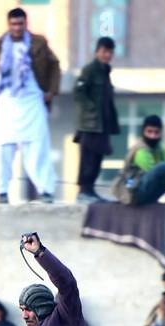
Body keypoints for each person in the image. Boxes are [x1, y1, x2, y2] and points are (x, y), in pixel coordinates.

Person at [0, 7, 60, 204]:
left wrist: (51, 92)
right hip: (6, 100)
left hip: (32, 100)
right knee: (2, 148)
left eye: (20, 24)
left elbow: (54, 65)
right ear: (8, 25)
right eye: (13, 24)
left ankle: (46, 190)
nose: (17, 28)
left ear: (26, 24)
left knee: (37, 146)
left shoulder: (39, 43)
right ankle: (1, 192)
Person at [72, 36, 118, 204]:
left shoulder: (106, 72)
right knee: (88, 159)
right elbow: (78, 93)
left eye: (110, 52)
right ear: (97, 51)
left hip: (102, 126)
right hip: (90, 125)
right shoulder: (89, 70)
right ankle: (84, 191)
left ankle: (90, 190)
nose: (107, 55)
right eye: (104, 51)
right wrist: (91, 110)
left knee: (97, 159)